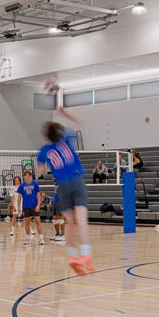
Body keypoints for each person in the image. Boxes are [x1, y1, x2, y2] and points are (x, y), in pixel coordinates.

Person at [37, 99, 95, 275]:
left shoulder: (44, 151)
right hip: (76, 180)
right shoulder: (67, 139)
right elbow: (79, 123)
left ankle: (73, 257)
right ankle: (86, 256)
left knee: (70, 222)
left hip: (61, 185)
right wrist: (63, 112)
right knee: (82, 220)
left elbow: (40, 171)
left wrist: (49, 166)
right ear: (59, 132)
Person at [16, 171, 44, 245]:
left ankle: (41, 239)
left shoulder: (35, 184)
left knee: (38, 222)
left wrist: (38, 205)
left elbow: (38, 196)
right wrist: (19, 207)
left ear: (31, 176)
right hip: (26, 206)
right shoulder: (21, 186)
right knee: (27, 223)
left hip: (34, 206)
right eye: (25, 176)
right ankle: (28, 239)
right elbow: (19, 197)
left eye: (28, 175)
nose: (27, 177)